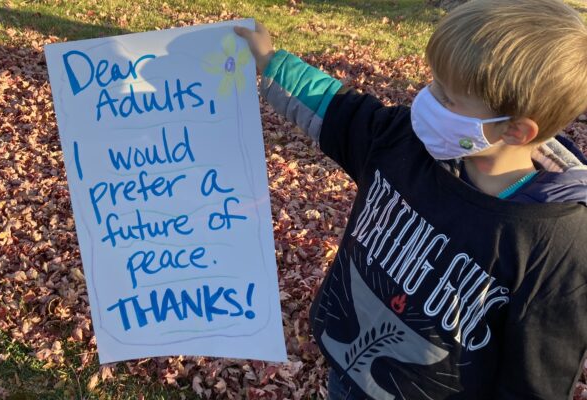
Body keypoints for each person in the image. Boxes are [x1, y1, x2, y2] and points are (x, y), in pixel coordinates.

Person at [235, 0, 587, 398]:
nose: (425, 98)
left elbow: (535, 378)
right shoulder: (405, 143)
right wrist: (271, 62)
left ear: (516, 131)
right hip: (346, 368)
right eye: (433, 81)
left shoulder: (558, 244)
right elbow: (339, 112)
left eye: (447, 97)